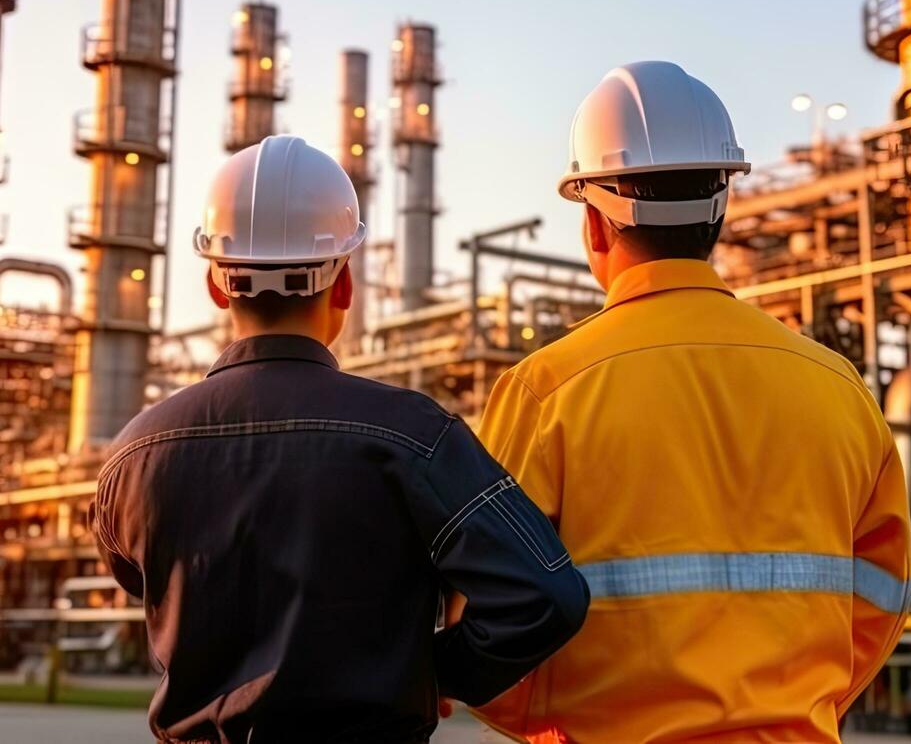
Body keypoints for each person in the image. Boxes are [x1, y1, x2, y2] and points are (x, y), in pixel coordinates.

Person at [470, 62, 911, 743]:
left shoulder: (544, 392)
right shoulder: (839, 388)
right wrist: (801, 703)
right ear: (722, 206)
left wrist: (543, 717)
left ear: (593, 222)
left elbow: (487, 603)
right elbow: (884, 594)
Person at [92, 135, 589, 744]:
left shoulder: (132, 457)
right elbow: (546, 594)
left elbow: (141, 581)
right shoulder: (415, 436)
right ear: (346, 285)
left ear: (217, 286)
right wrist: (437, 675)